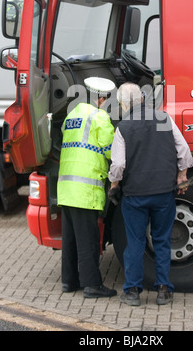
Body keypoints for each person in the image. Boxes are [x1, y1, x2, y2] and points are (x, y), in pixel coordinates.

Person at [108, 82, 193, 306]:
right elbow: (184, 150)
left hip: (135, 196)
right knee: (162, 241)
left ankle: (133, 292)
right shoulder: (163, 119)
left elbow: (118, 164)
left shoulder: (124, 127)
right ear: (143, 99)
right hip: (164, 193)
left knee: (135, 243)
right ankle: (164, 290)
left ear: (123, 105)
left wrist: (114, 185)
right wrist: (181, 175)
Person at [57, 76, 117, 299]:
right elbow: (111, 150)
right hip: (85, 188)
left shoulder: (71, 115)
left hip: (66, 187)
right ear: (101, 99)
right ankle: (92, 285)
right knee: (88, 240)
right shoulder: (100, 117)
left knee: (70, 239)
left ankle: (69, 281)